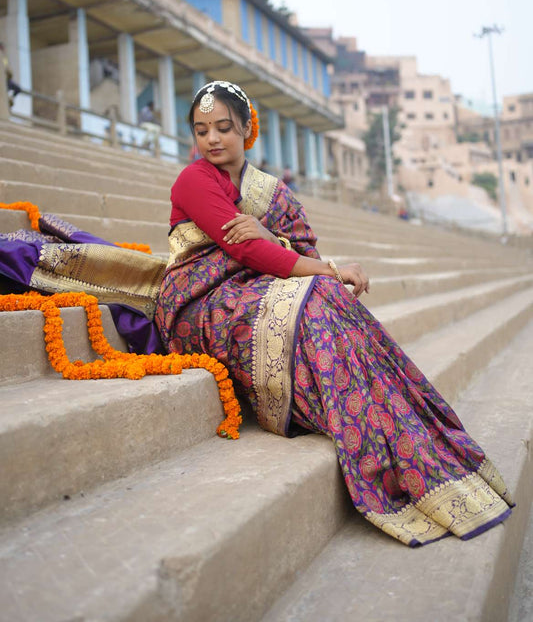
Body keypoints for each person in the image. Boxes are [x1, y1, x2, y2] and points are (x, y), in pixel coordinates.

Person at [155, 80, 513, 547]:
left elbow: (292, 247)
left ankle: (394, 423)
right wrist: (329, 269)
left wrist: (279, 240)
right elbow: (248, 251)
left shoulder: (271, 192)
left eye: (224, 127)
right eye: (202, 131)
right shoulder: (194, 180)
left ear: (247, 128)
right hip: (200, 303)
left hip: (255, 287)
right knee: (321, 292)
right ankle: (352, 424)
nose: (213, 139)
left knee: (326, 298)